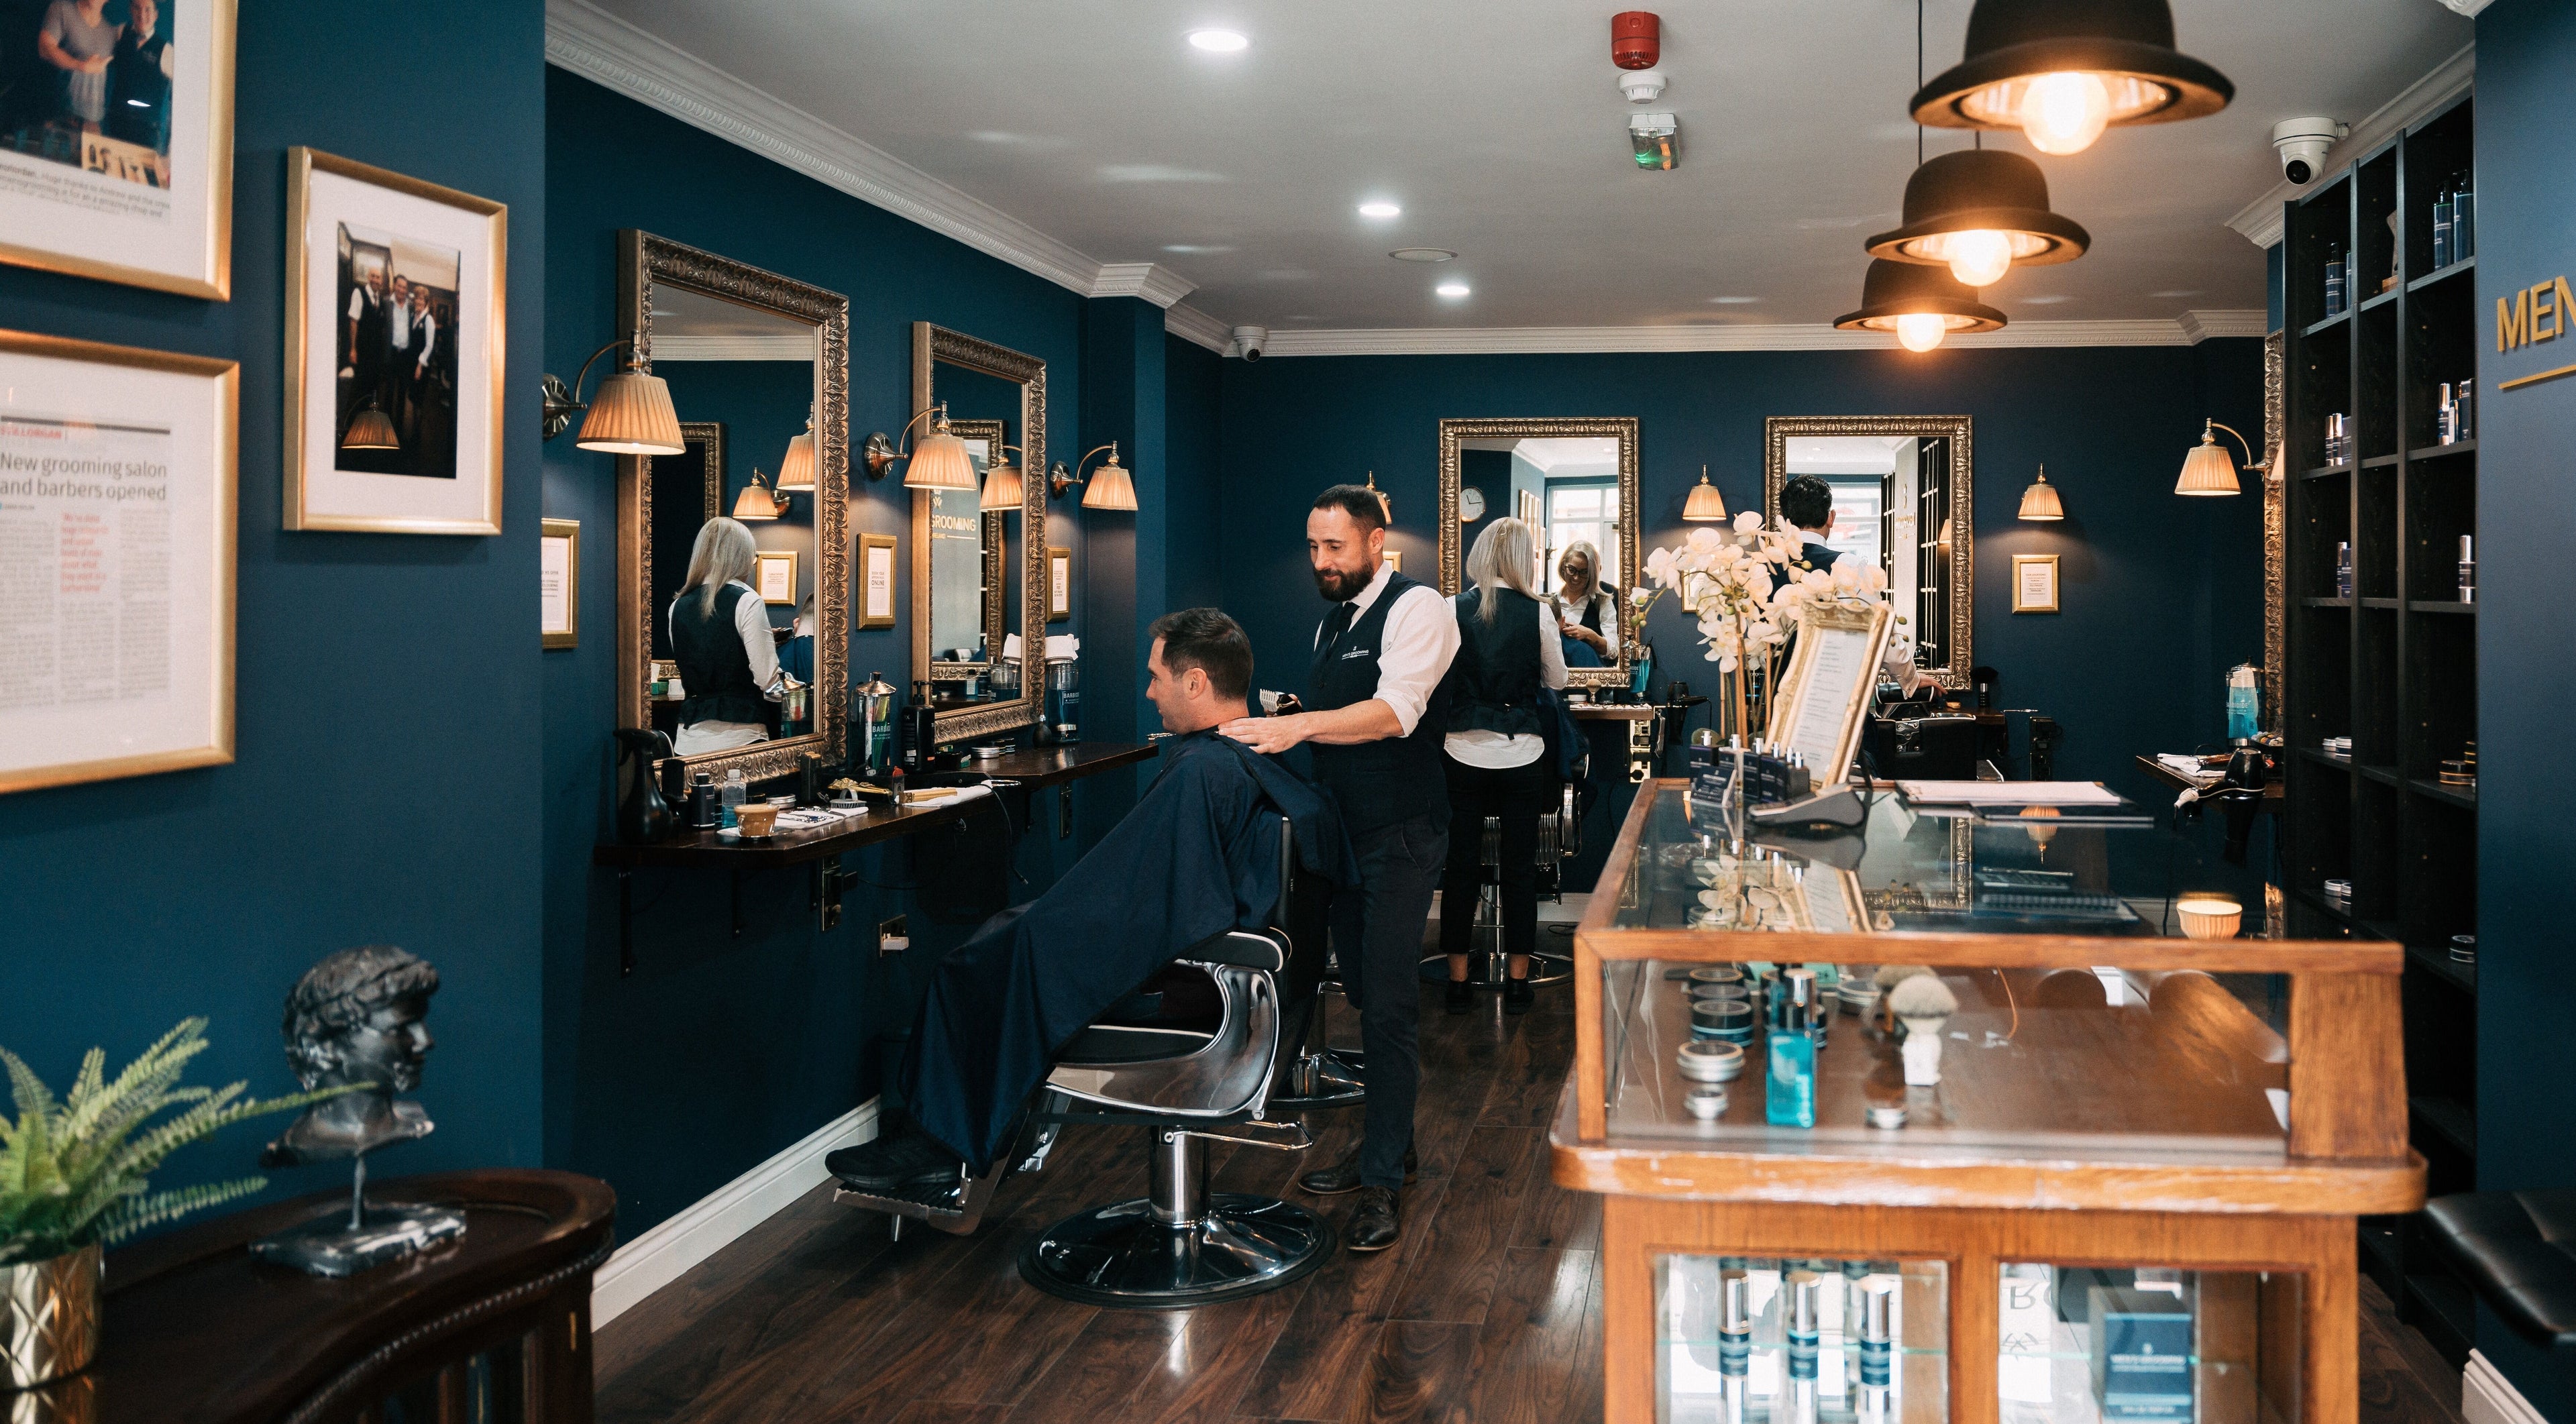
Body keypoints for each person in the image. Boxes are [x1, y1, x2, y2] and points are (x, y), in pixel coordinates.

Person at [827, 608, 1353, 1192]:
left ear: (1196, 681)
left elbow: (1142, 901)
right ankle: (956, 1133)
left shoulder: (1202, 770)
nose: (1148, 690)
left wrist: (1038, 928)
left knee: (974, 965)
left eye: (1157, 677)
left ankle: (937, 1146)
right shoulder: (1245, 755)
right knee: (1008, 939)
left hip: (1186, 987)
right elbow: (1155, 889)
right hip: (1235, 975)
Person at [1218, 484, 1459, 1254]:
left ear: (1377, 541)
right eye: (1314, 546)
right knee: (1359, 986)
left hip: (1401, 832)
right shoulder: (1335, 620)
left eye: (1336, 547)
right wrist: (1290, 717)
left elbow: (1395, 711)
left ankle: (1383, 1179)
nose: (1320, 561)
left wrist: (1297, 727)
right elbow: (1338, 710)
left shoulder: (1421, 608)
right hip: (1346, 838)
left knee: (1387, 1005)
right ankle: (1395, 1140)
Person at [1437, 516, 1566, 1017]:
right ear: (1522, 559)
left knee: (1461, 866)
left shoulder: (1453, 608)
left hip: (1461, 752)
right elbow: (1555, 679)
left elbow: (1438, 677)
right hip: (1522, 754)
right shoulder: (1539, 613)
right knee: (1518, 868)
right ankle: (1517, 982)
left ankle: (1457, 980)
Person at [260, 945, 441, 1166]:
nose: (426, 1042)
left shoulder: (414, 1118)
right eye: (400, 1029)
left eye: (421, 1022)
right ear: (325, 1046)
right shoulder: (295, 1146)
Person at [667, 518, 783, 755]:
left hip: (687, 741)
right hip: (740, 737)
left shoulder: (677, 607)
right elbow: (767, 681)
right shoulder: (747, 601)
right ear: (739, 557)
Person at [36, 0, 117, 131]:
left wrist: (97, 122)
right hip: (60, 118)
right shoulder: (62, 9)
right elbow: (45, 48)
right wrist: (81, 65)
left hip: (93, 124)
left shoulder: (110, 32)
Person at [103, 0, 166, 152]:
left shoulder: (166, 50)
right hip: (116, 124)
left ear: (156, 15)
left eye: (147, 10)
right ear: (131, 10)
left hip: (146, 132)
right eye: (137, 8)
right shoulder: (120, 33)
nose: (142, 14)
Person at [1552, 539, 1621, 668]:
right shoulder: (1551, 603)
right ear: (1563, 566)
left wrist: (1589, 635)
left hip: (1591, 684)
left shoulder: (1602, 602)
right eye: (1572, 570)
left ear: (1593, 572)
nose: (1576, 577)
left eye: (1584, 572)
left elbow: (1613, 651)